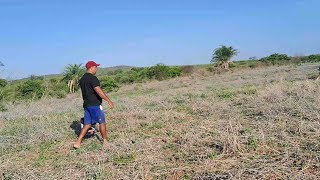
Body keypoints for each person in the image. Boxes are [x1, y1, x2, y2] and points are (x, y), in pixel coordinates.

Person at [73, 60, 114, 149]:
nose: (96, 69)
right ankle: (105, 142)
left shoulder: (82, 79)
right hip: (95, 104)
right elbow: (98, 90)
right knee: (102, 122)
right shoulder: (92, 78)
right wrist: (108, 100)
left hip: (87, 105)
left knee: (87, 124)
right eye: (96, 67)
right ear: (91, 68)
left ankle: (78, 142)